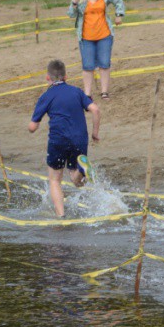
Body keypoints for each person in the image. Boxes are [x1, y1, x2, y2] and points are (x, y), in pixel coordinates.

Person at [28, 59, 102, 217]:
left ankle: (61, 216)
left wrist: (31, 127)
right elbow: (95, 109)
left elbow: (33, 127)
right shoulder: (77, 91)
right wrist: (95, 133)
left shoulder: (46, 96)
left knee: (55, 179)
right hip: (79, 138)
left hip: (58, 140)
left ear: (48, 78)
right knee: (77, 182)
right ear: (66, 77)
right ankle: (81, 170)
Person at [67, 0, 125, 99]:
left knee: (104, 64)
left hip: (105, 35)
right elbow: (71, 14)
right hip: (86, 37)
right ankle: (87, 94)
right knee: (88, 66)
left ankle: (104, 92)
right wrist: (75, 1)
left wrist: (119, 14)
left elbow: (118, 0)